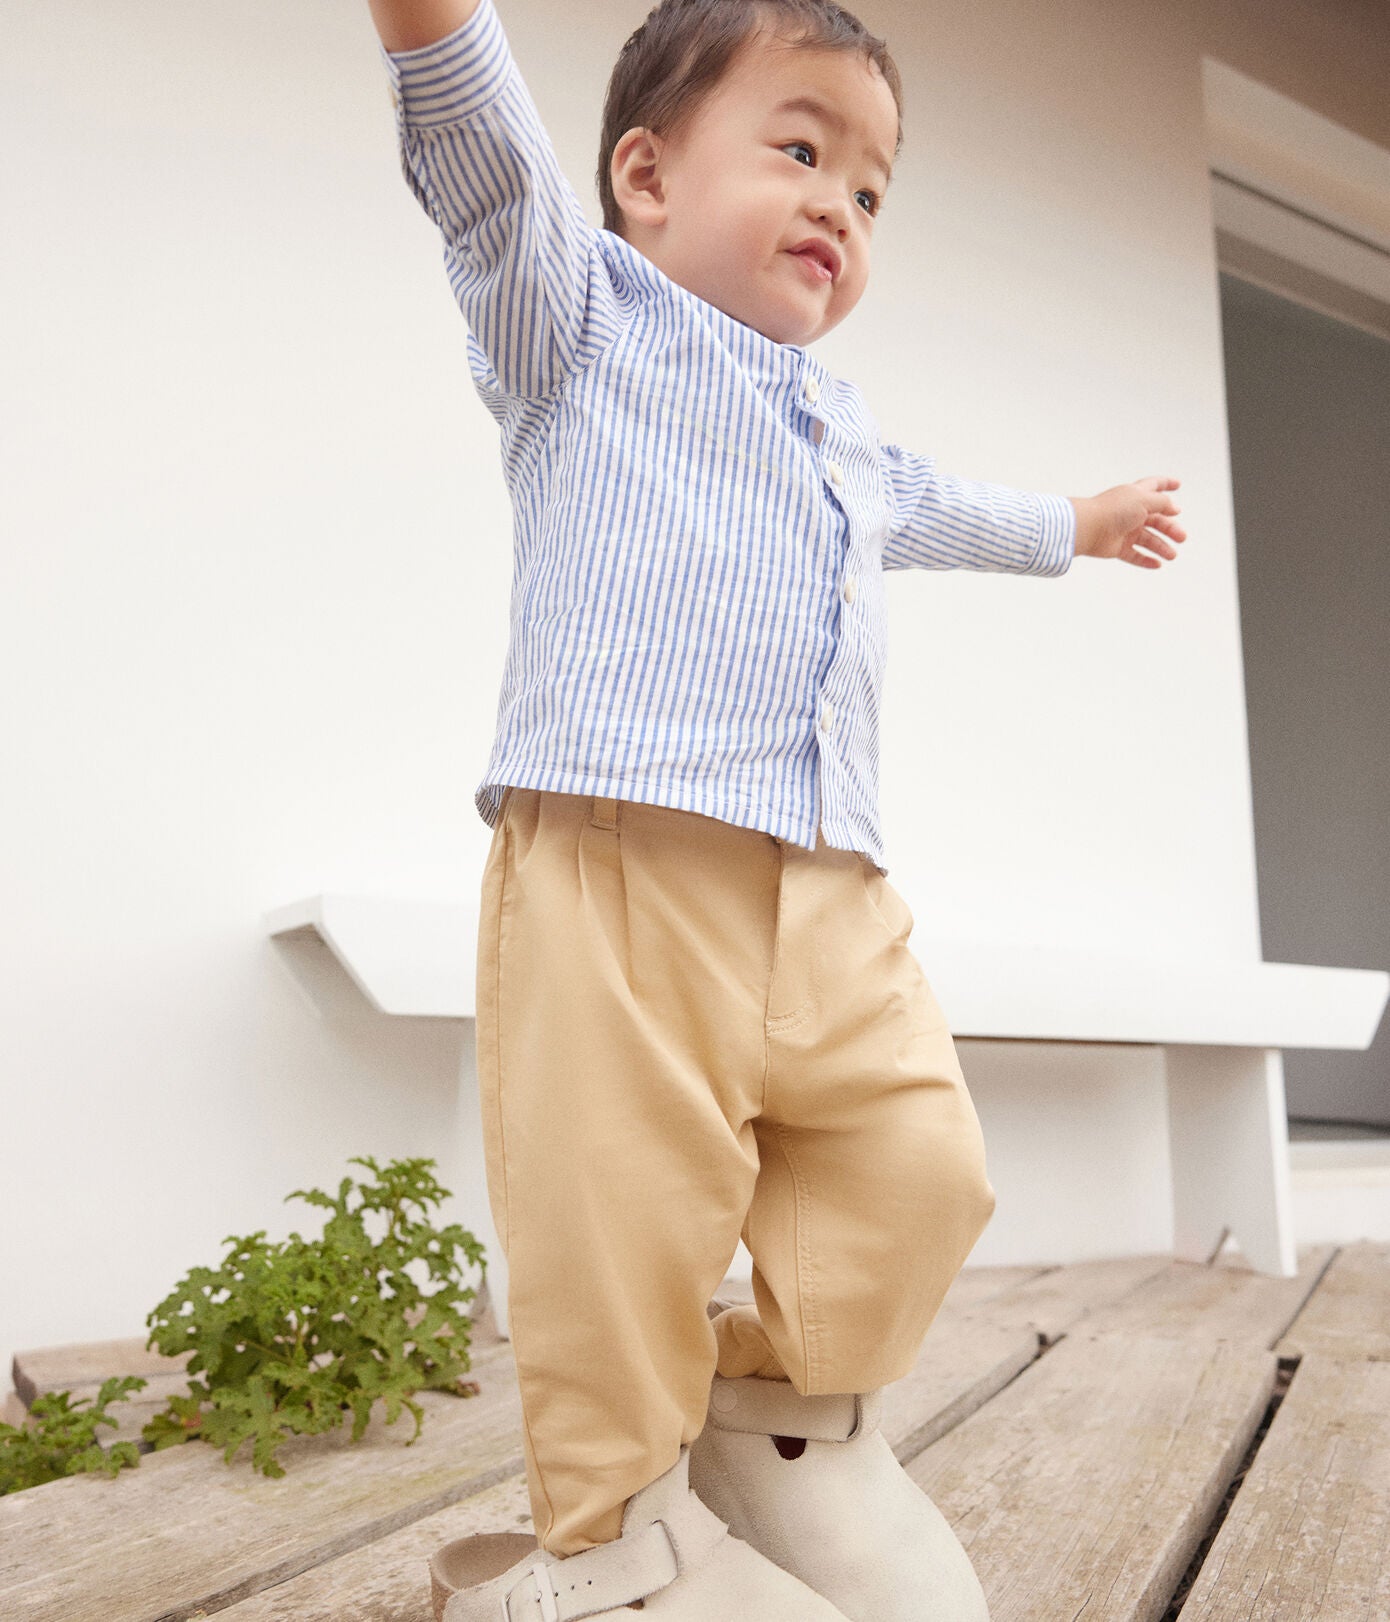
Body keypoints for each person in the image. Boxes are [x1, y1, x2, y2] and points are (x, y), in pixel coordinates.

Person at [364, 1, 1187, 1616]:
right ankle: (610, 1542)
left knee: (918, 1163)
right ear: (645, 177)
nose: (840, 204)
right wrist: (432, 28)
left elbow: (947, 508)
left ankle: (782, 1415)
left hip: (832, 885)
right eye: (800, 149)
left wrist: (1079, 521)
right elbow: (485, 164)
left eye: (871, 189)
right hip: (623, 857)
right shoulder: (576, 316)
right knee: (621, 1214)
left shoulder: (847, 429)